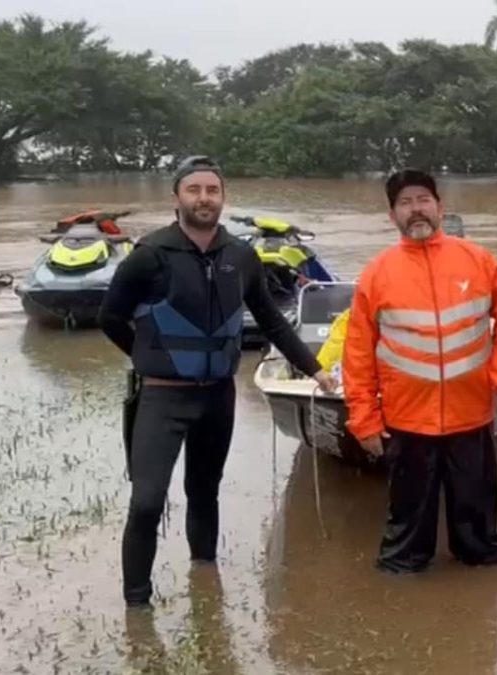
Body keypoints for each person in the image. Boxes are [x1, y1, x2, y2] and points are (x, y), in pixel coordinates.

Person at [99, 155, 336, 608]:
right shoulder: (149, 255)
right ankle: (137, 605)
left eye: (212, 190)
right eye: (195, 190)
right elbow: (111, 317)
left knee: (204, 490)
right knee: (147, 502)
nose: (204, 198)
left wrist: (316, 370)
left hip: (218, 398)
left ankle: (204, 578)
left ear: (222, 198)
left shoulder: (241, 257)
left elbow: (274, 323)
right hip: (162, 399)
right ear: (177, 197)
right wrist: (149, 358)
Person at [344, 168, 497, 574]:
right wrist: (365, 420)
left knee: (479, 536)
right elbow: (357, 355)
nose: (416, 210)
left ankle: (481, 580)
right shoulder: (376, 274)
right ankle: (404, 586)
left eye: (423, 200)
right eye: (405, 203)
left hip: (472, 415)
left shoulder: (478, 260)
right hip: (407, 421)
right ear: (392, 216)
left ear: (440, 207)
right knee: (405, 542)